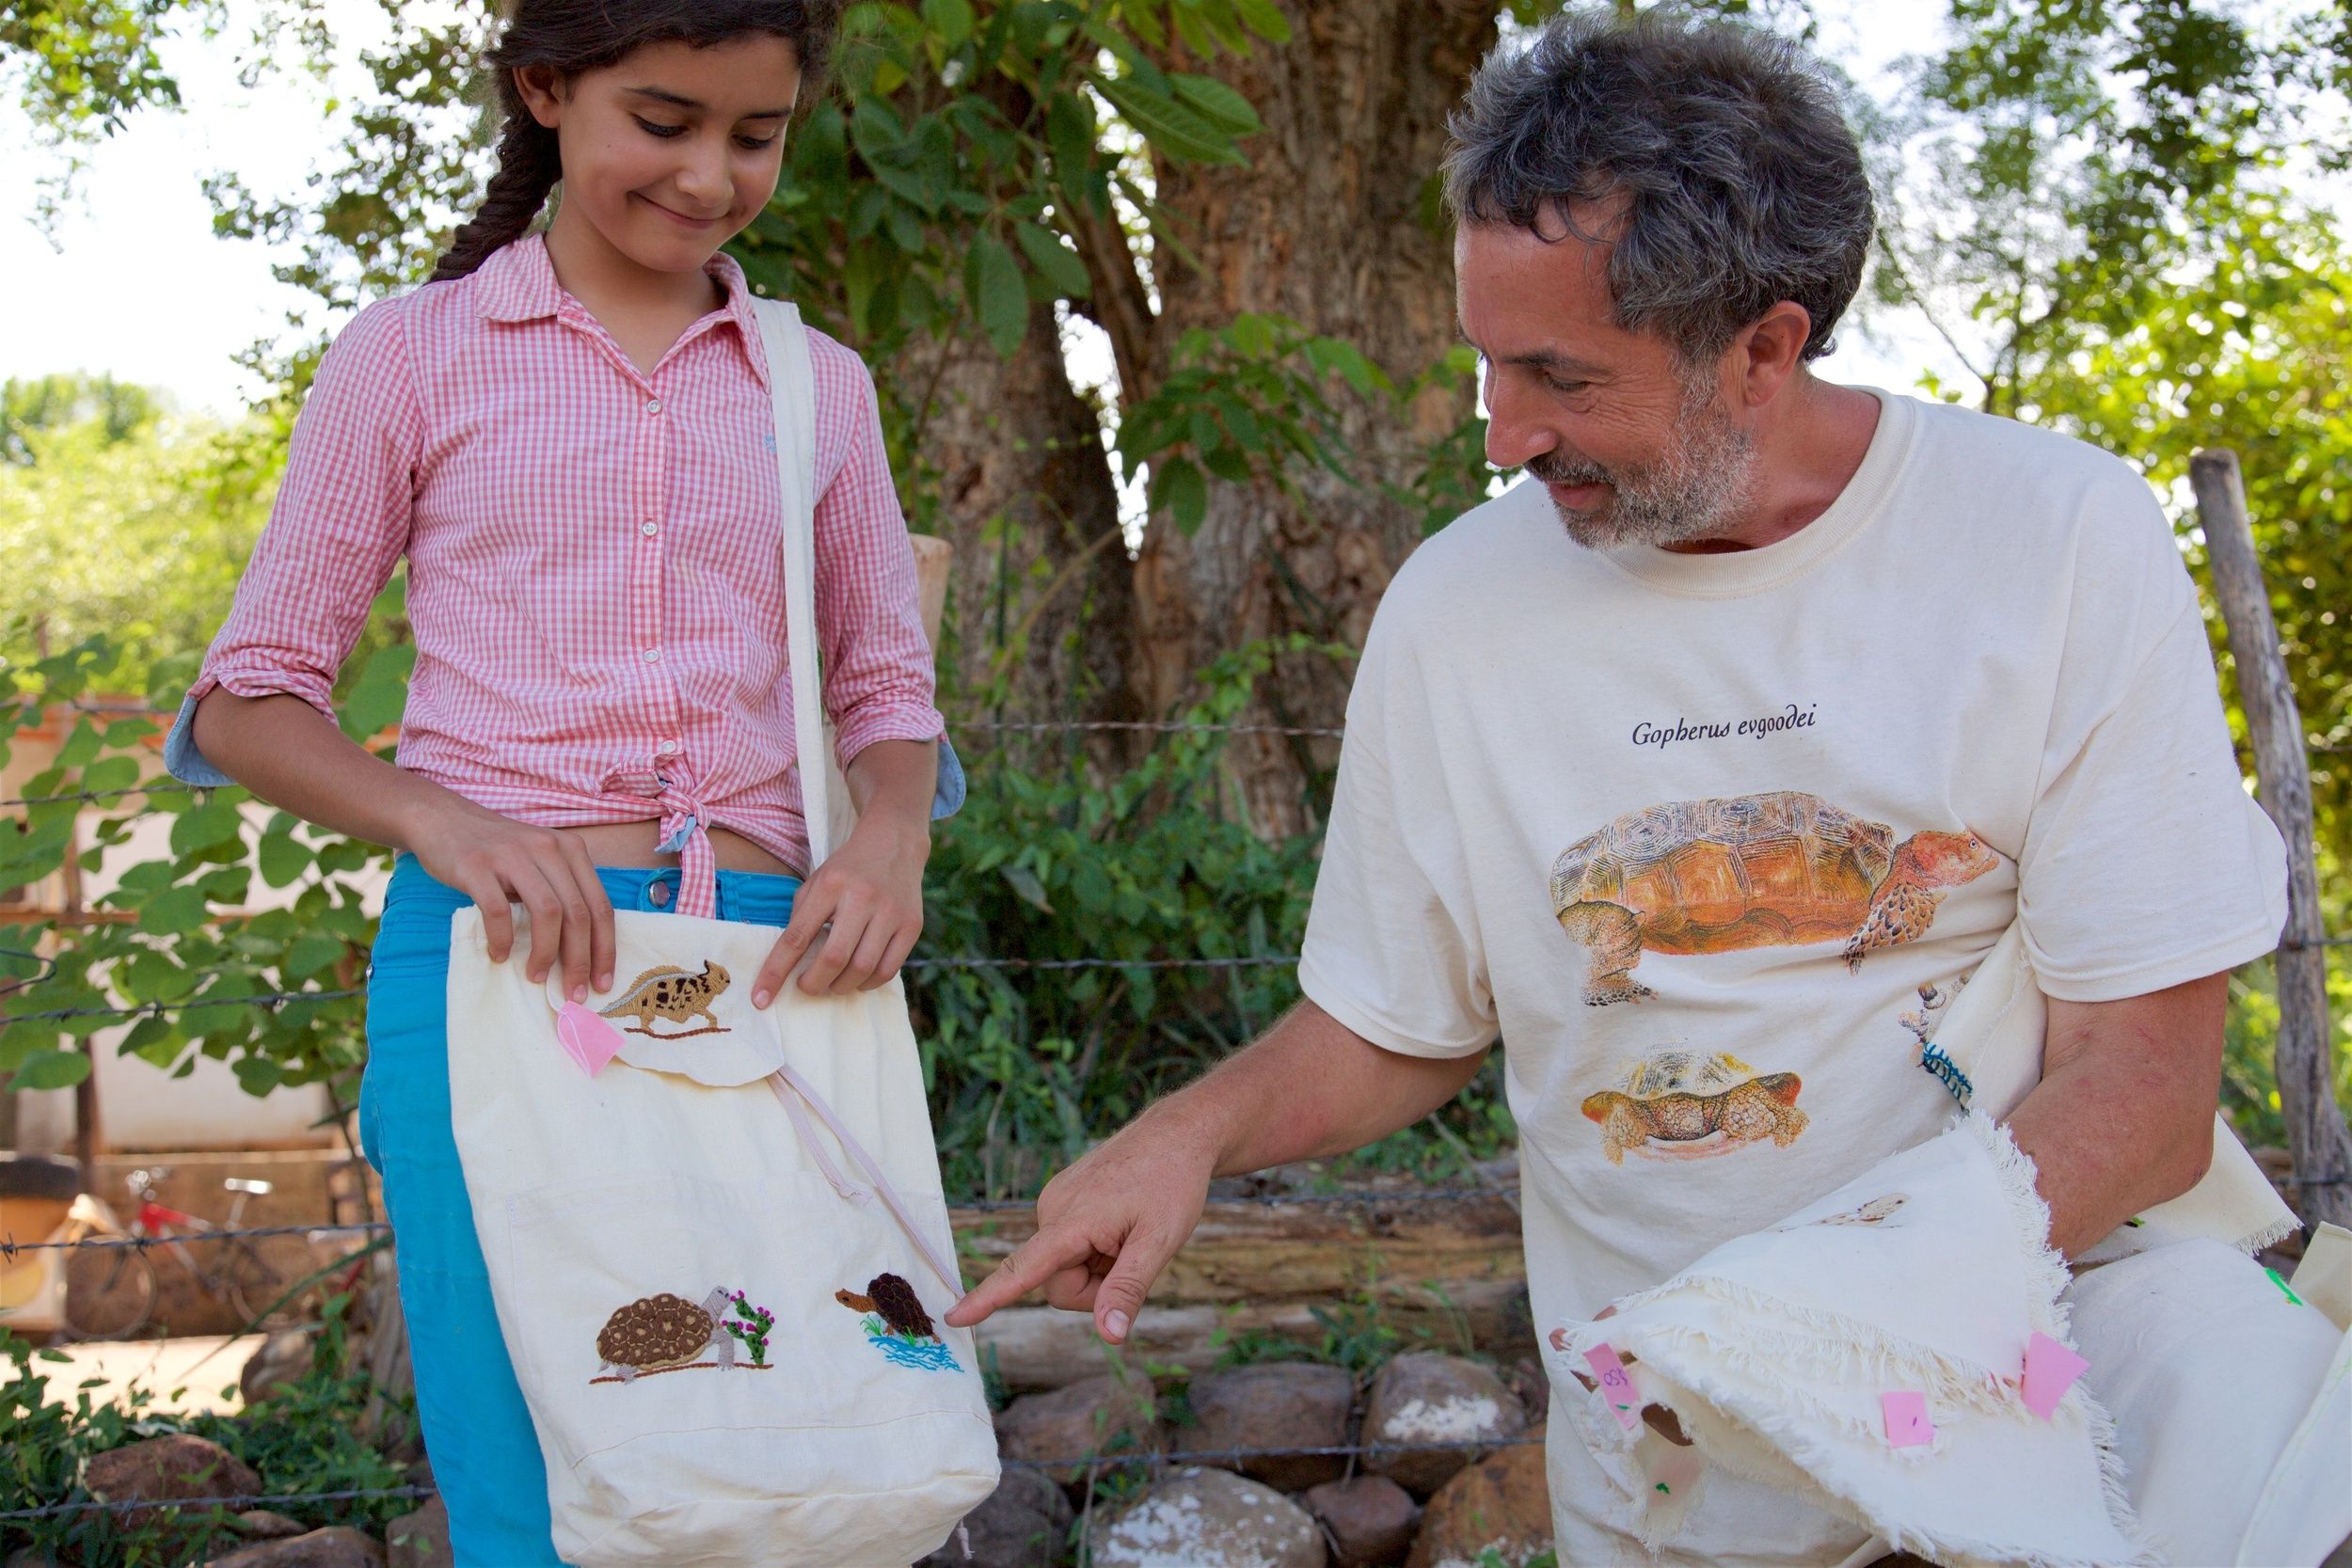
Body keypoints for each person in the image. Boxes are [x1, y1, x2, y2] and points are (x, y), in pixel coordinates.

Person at [946, 8, 2288, 1562]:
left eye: (1559, 376)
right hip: (1672, 1450)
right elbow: (1396, 1022)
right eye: (1486, 364)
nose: (1504, 432)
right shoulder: (1459, 611)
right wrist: (1186, 1134)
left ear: (1764, 349)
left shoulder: (2053, 539)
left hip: (2040, 1368)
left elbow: (2148, 1086)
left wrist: (1825, 1326)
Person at [165, 2, 959, 1559]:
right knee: (546, 1459)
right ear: (547, 91)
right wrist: (443, 820)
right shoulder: (411, 355)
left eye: (756, 134)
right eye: (663, 123)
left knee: (814, 1439)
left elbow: (885, 681)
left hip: (776, 964)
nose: (711, 176)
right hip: (500, 966)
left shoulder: (821, 387)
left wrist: (887, 843)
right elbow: (250, 697)